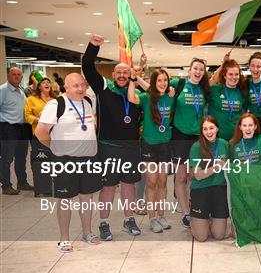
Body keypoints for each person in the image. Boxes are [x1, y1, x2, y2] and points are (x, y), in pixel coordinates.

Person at [81, 34, 143, 240]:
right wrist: (93, 47)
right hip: (109, 146)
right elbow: (88, 66)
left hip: (132, 147)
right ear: (113, 74)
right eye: (119, 72)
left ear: (130, 75)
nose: (122, 75)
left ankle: (128, 219)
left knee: (129, 184)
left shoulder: (136, 94)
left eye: (126, 72)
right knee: (108, 186)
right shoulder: (104, 87)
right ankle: (104, 223)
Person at [35, 73, 102, 252]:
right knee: (65, 200)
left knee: (86, 198)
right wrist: (56, 148)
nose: (80, 89)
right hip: (64, 160)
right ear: (65, 87)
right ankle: (64, 238)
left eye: (83, 85)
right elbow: (40, 132)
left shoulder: (89, 102)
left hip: (88, 159)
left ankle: (87, 232)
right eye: (75, 86)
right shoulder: (56, 105)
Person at [128, 68, 175, 233]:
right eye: (159, 80)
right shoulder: (147, 98)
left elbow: (161, 90)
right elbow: (131, 97)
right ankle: (152, 218)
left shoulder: (170, 97)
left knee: (163, 182)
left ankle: (161, 215)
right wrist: (133, 81)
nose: (163, 83)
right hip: (149, 145)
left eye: (165, 80)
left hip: (165, 144)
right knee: (151, 182)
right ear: (154, 83)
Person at [168, 57, 210, 229]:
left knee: (195, 176)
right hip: (180, 136)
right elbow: (156, 88)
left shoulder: (204, 89)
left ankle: (196, 207)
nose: (198, 72)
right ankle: (186, 213)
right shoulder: (178, 84)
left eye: (201, 69)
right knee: (181, 176)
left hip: (198, 137)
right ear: (189, 69)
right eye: (195, 68)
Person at [188, 116, 229, 242]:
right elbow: (197, 175)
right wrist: (215, 168)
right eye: (205, 129)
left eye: (211, 128)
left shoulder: (224, 144)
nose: (209, 132)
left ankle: (209, 220)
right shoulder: (196, 147)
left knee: (219, 235)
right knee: (201, 237)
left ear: (217, 129)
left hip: (219, 189)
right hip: (201, 190)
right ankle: (194, 222)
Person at [0, 67, 33, 195]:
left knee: (21, 157)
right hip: (8, 128)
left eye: (19, 75)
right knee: (7, 158)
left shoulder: (21, 90)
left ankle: (22, 182)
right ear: (8, 76)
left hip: (22, 128)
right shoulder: (3, 90)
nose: (17, 77)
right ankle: (6, 186)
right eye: (14, 74)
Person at [24, 71, 56, 196]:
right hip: (38, 135)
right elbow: (27, 116)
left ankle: (54, 186)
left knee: (54, 160)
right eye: (44, 82)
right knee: (40, 161)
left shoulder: (55, 100)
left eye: (48, 82)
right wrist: (39, 120)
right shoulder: (31, 99)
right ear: (39, 86)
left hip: (53, 136)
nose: (47, 84)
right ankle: (42, 188)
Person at [208, 58, 247, 139]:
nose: (234, 77)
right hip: (216, 138)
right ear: (224, 75)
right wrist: (223, 64)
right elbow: (209, 82)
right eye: (230, 74)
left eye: (236, 74)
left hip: (236, 138)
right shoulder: (215, 89)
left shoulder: (242, 92)